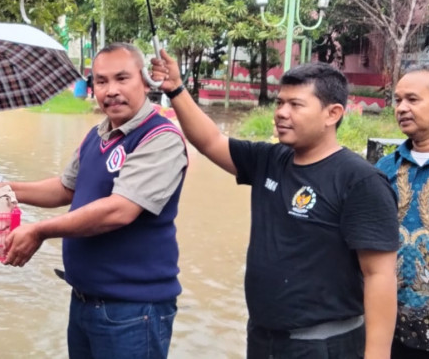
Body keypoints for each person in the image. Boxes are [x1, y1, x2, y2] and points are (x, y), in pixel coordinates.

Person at [151, 51, 399, 359]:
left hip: (322, 344)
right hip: (263, 337)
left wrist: (377, 355)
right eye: (280, 103)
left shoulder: (360, 180)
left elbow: (380, 274)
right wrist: (175, 88)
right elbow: (211, 141)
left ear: (332, 114)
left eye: (296, 105)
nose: (281, 113)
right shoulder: (270, 160)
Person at [0, 42, 188, 359]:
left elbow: (120, 210)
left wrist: (40, 230)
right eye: (101, 81)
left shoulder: (160, 137)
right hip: (85, 301)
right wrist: (2, 189)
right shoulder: (97, 135)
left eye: (122, 78)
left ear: (146, 80)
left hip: (133, 310)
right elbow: (64, 189)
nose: (111, 90)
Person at [376, 65, 429, 359]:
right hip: (389, 326)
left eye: (413, 99)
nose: (402, 108)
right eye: (397, 100)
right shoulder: (383, 170)